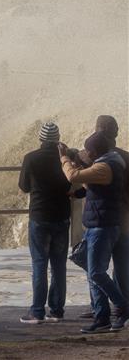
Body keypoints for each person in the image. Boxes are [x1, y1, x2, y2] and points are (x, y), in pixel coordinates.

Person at [60, 131, 129, 333]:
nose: (86, 153)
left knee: (97, 272)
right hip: (100, 223)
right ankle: (102, 317)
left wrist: (64, 158)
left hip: (103, 225)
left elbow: (73, 176)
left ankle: (122, 306)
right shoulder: (108, 162)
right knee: (92, 271)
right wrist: (79, 164)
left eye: (88, 150)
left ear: (96, 151)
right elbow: (90, 182)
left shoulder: (106, 166)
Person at [17, 122, 72, 324]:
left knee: (39, 263)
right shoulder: (66, 158)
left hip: (40, 216)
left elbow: (23, 186)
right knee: (59, 265)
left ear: (40, 139)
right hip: (62, 215)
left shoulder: (31, 158)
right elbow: (72, 181)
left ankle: (37, 312)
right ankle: (56, 310)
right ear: (58, 139)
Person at [96, 115, 129, 316]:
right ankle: (123, 305)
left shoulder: (91, 156)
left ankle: (101, 307)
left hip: (101, 217)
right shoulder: (126, 156)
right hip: (124, 217)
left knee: (95, 265)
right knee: (122, 264)